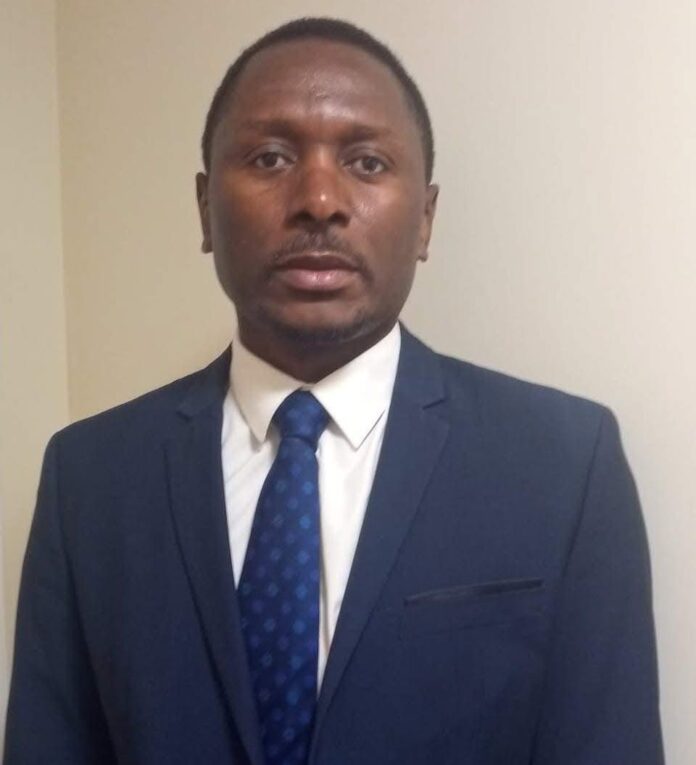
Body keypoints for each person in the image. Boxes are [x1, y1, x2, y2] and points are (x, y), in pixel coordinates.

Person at [4, 17, 663, 765]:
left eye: (367, 162)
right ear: (205, 209)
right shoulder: (90, 478)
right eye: (271, 157)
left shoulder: (565, 465)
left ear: (425, 219)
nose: (319, 199)